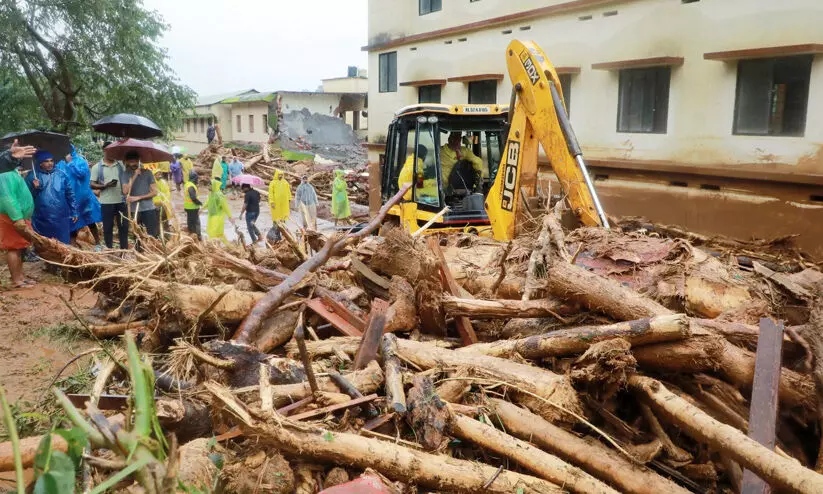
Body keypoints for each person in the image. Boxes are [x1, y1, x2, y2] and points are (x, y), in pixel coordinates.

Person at [0, 140, 37, 288]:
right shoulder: (4, 174)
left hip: (19, 216)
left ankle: (20, 276)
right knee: (13, 248)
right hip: (12, 217)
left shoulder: (11, 171)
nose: (19, 156)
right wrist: (17, 218)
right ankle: (17, 280)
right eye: (12, 154)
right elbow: (7, 198)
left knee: (20, 247)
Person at [25, 151, 77, 244]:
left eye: (51, 160)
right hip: (41, 216)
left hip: (61, 214)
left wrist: (74, 211)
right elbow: (26, 198)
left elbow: (70, 194)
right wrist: (35, 188)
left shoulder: (61, 175)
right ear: (40, 163)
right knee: (44, 242)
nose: (50, 163)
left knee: (62, 242)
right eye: (46, 161)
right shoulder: (32, 176)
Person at [62, 146, 102, 248]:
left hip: (84, 198)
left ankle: (98, 244)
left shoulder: (80, 161)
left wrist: (70, 163)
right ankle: (73, 246)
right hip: (70, 199)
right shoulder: (60, 163)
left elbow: (82, 174)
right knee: (72, 223)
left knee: (90, 221)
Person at [90, 148, 127, 249]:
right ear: (104, 152)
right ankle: (109, 249)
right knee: (107, 227)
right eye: (110, 151)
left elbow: (126, 180)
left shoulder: (121, 166)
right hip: (106, 202)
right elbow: (91, 184)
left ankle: (124, 250)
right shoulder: (97, 167)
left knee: (123, 227)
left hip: (121, 201)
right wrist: (105, 186)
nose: (113, 154)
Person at [121, 152, 159, 240]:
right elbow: (125, 191)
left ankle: (151, 252)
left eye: (135, 161)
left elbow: (155, 192)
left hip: (149, 208)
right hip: (134, 210)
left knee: (152, 235)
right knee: (137, 236)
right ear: (126, 162)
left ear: (139, 161)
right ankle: (139, 251)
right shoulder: (125, 174)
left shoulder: (148, 173)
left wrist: (139, 197)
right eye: (131, 162)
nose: (134, 163)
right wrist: (135, 175)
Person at [206, 178, 234, 244]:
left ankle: (212, 246)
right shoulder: (211, 194)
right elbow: (207, 203)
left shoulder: (219, 195)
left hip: (218, 216)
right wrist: (201, 209)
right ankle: (228, 246)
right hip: (211, 215)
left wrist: (230, 216)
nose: (208, 186)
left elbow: (225, 206)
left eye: (209, 185)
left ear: (214, 185)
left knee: (213, 232)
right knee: (217, 233)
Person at [268, 170, 291, 241]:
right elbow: (270, 193)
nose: (280, 176)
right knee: (276, 220)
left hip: (284, 205)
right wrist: (271, 202)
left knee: (283, 220)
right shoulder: (272, 183)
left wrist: (289, 199)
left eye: (281, 174)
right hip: (276, 205)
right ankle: (275, 236)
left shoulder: (285, 183)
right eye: (279, 174)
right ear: (276, 175)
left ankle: (283, 235)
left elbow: (288, 192)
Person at [183, 170, 203, 240]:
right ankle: (197, 237)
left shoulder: (187, 184)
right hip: (192, 207)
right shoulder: (191, 186)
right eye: (197, 178)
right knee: (196, 222)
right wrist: (200, 203)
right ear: (194, 178)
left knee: (190, 221)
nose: (197, 180)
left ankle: (191, 235)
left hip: (188, 207)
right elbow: (193, 198)